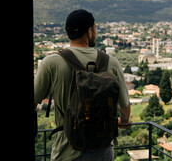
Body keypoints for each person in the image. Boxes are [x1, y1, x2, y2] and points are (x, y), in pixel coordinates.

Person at [34, 9, 131, 161]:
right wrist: (124, 120)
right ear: (89, 31)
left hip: (67, 151)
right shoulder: (111, 62)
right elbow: (125, 106)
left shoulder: (51, 63)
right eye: (95, 28)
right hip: (103, 149)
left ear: (68, 33)